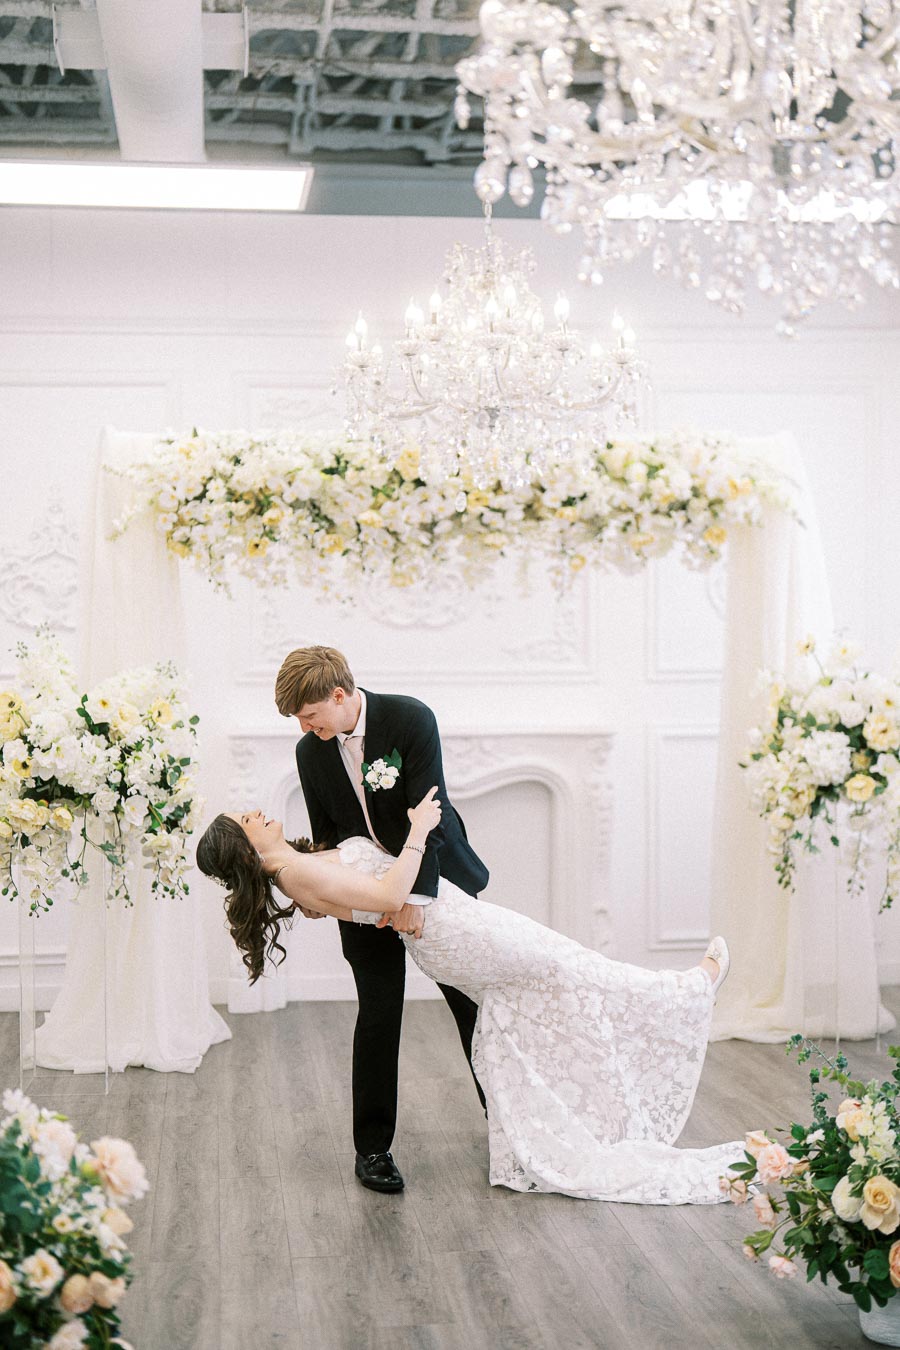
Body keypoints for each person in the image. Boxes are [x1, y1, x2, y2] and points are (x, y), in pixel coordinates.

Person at [196, 793, 742, 1205]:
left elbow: (368, 897)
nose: (260, 815)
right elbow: (387, 893)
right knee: (574, 968)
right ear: (245, 847)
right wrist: (417, 832)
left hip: (453, 928)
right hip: (456, 935)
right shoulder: (296, 873)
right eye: (249, 820)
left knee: (543, 997)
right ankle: (687, 991)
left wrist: (381, 896)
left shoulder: (294, 867)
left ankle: (552, 1124)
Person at [271, 646, 489, 1195]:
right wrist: (327, 893)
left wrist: (414, 895)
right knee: (378, 1009)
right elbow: (328, 831)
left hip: (433, 873)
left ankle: (507, 1121)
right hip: (364, 888)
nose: (305, 727)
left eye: (310, 715)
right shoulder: (311, 751)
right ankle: (372, 1150)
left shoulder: (410, 718)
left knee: (471, 1002)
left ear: (339, 696)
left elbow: (430, 813)